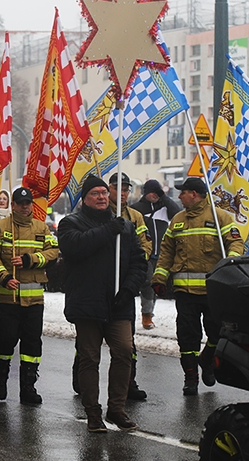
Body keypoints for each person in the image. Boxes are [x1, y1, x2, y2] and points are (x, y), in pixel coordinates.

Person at [58, 175, 146, 433]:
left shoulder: (126, 227)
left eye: (104, 193)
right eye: (95, 193)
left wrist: (129, 288)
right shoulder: (70, 223)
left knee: (123, 352)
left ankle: (116, 409)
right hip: (87, 304)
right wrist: (108, 230)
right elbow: (75, 247)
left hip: (119, 305)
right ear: (84, 198)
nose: (101, 197)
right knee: (89, 358)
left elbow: (139, 262)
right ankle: (93, 413)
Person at [152, 177, 244, 395]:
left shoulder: (220, 216)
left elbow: (236, 242)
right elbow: (166, 252)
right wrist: (159, 278)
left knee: (218, 334)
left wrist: (229, 262)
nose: (180, 196)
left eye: (182, 192)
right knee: (187, 337)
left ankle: (207, 359)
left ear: (194, 194)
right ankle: (190, 377)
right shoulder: (177, 220)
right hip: (185, 293)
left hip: (213, 290)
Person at [0, 187, 58, 405]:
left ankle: (28, 387)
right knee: (5, 341)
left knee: (32, 344)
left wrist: (31, 260)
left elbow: (53, 251)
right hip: (8, 298)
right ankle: (0, 379)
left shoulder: (41, 228)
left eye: (28, 203)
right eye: (21, 203)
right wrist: (3, 276)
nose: (25, 207)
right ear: (13, 205)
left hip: (34, 299)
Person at [108, 173, 150, 401]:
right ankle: (80, 376)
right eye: (118, 188)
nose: (123, 192)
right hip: (102, 285)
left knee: (128, 340)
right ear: (109, 189)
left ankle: (129, 382)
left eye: (126, 189)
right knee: (89, 339)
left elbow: (145, 244)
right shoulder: (102, 212)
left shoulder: (135, 216)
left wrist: (136, 261)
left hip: (126, 284)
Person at [131, 179, 182, 329]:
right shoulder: (137, 209)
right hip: (144, 253)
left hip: (161, 254)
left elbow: (177, 213)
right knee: (146, 283)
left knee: (156, 285)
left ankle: (150, 313)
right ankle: (146, 315)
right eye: (151, 192)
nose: (154, 196)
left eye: (156, 193)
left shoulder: (165, 207)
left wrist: (164, 197)